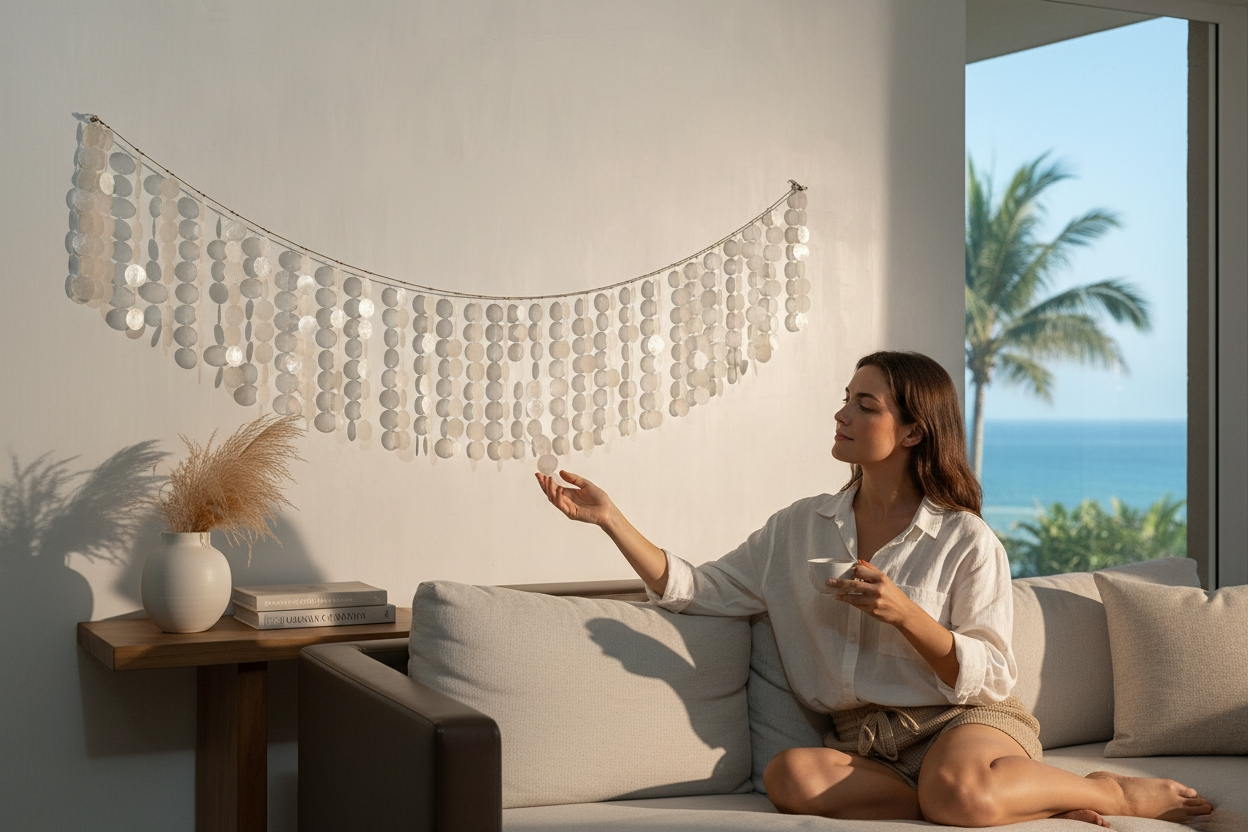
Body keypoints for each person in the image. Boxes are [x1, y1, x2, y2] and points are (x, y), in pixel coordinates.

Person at [536, 350, 1212, 827]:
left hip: (964, 725)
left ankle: (1110, 792)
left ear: (913, 430)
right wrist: (609, 520)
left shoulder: (965, 540)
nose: (842, 415)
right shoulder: (798, 528)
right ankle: (972, 799)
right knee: (789, 777)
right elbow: (696, 587)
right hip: (866, 744)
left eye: (865, 405)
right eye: (845, 400)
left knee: (956, 787)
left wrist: (905, 615)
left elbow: (992, 673)